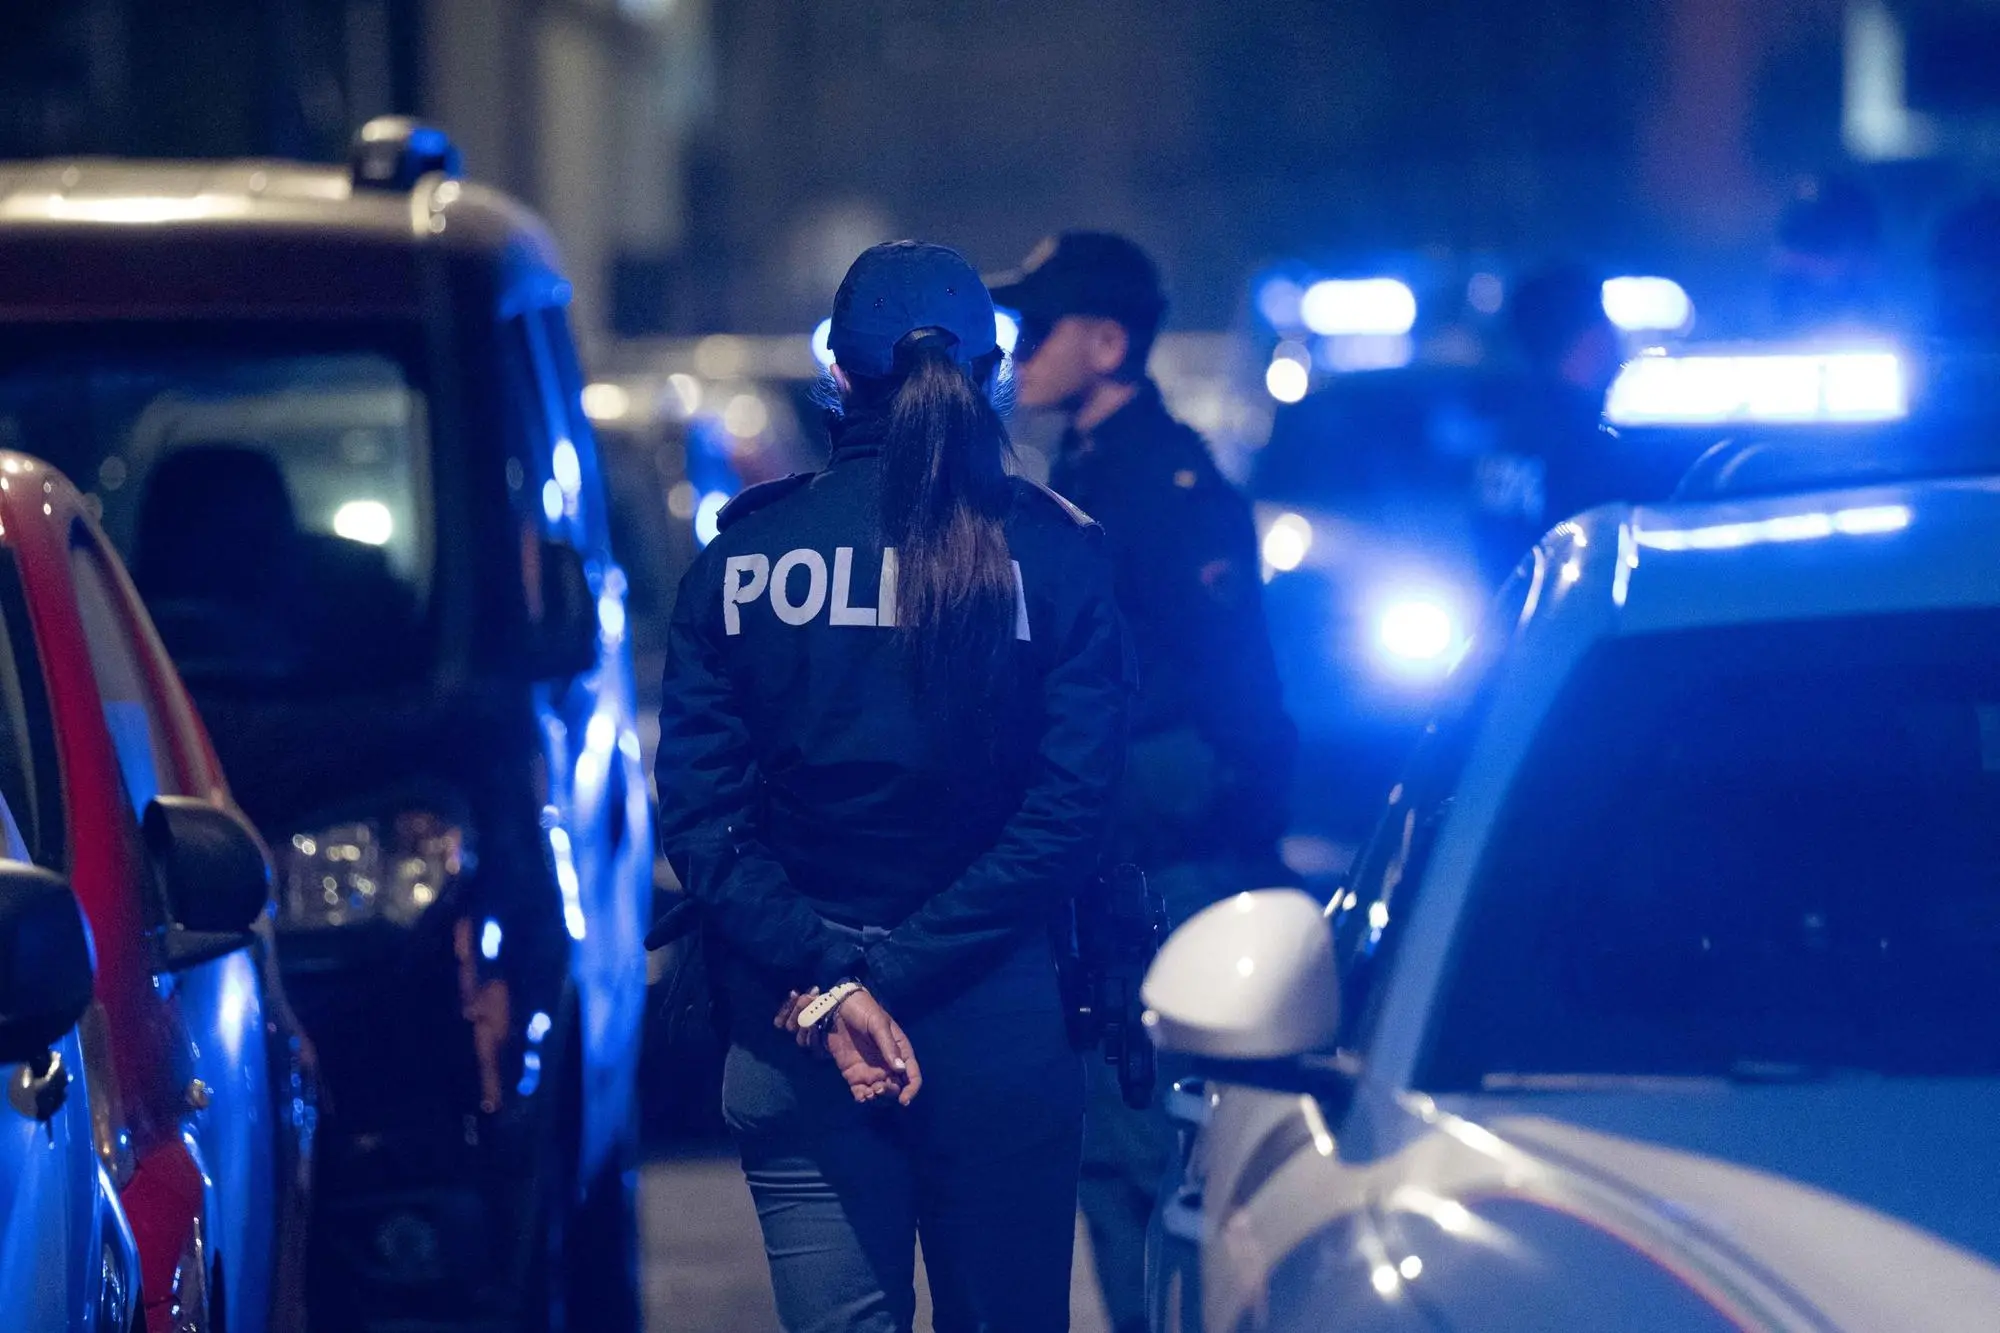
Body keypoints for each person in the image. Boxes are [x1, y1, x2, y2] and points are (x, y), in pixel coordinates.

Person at [654, 240, 1130, 1333]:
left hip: (797, 1022)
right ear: (993, 374)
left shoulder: (741, 561)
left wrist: (837, 980)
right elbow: (1070, 813)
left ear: (834, 377)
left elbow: (704, 818)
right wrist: (903, 972)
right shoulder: (1053, 559)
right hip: (998, 1018)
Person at [990, 230, 1295, 1333]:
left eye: (1039, 324)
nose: (1014, 348)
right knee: (1115, 1166)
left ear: (1107, 341)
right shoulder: (1082, 468)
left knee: (1156, 1169)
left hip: (1164, 868)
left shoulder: (1166, 486)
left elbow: (1230, 707)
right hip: (1112, 866)